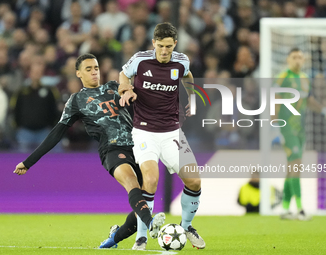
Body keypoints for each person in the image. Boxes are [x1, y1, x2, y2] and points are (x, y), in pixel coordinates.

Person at [13, 53, 165, 246]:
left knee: (142, 203)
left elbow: (141, 100)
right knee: (131, 182)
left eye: (96, 68)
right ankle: (151, 224)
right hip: (111, 149)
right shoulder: (76, 100)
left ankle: (114, 237)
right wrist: (29, 162)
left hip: (138, 146)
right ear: (78, 74)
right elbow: (56, 133)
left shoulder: (113, 86)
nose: (94, 72)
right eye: (88, 69)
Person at [102, 22, 205, 250]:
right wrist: (126, 89)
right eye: (160, 46)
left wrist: (191, 98)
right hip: (145, 131)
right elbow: (122, 75)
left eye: (169, 46)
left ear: (175, 44)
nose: (165, 51)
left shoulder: (182, 60)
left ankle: (186, 226)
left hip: (172, 132)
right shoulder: (140, 60)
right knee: (150, 180)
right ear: (153, 43)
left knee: (194, 180)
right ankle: (141, 236)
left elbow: (188, 76)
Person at [275, 48, 326, 220]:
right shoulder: (283, 77)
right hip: (287, 127)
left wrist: (324, 110)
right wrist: (275, 125)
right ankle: (299, 209)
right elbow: (274, 98)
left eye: (300, 57)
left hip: (300, 128)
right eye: (294, 57)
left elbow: (309, 100)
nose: (298, 60)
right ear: (288, 60)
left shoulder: (305, 79)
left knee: (292, 167)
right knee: (296, 165)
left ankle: (284, 209)